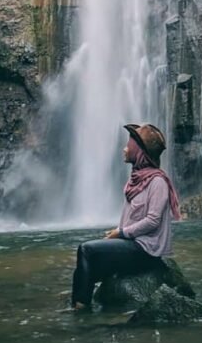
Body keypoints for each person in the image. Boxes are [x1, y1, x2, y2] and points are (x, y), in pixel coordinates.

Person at [71, 122, 181, 310]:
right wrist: (116, 235)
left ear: (139, 150)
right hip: (133, 245)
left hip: (145, 250)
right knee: (84, 267)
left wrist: (121, 233)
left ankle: (82, 311)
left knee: (86, 250)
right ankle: (79, 307)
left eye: (128, 145)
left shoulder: (157, 182)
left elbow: (153, 221)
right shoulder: (138, 179)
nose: (124, 149)